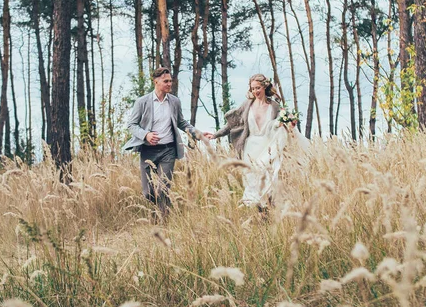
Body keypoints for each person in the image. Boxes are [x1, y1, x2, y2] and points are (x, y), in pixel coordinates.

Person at [207, 74, 309, 208]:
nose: (255, 91)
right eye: (253, 88)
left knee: (269, 180)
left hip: (269, 148)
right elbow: (231, 124)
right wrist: (215, 135)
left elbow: (284, 124)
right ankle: (258, 212)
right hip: (251, 150)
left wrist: (290, 122)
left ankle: (268, 210)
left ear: (264, 87)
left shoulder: (274, 106)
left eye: (258, 88)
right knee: (253, 182)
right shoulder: (247, 105)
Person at [124, 67, 210, 217]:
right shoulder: (142, 102)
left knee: (163, 189)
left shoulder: (174, 101)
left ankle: (163, 223)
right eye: (166, 81)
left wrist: (199, 135)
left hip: (168, 150)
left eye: (171, 81)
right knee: (148, 193)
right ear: (156, 81)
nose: (170, 84)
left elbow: (182, 123)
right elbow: (132, 125)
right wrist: (146, 135)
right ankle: (158, 213)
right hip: (148, 150)